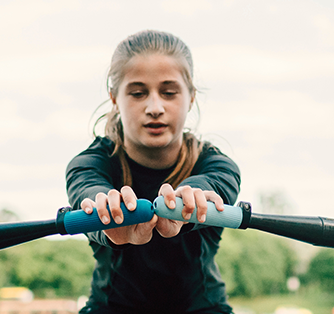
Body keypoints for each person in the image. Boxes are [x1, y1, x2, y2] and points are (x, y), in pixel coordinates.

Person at [66, 30, 241, 314]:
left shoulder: (218, 166)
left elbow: (214, 183)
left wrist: (191, 198)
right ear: (114, 98)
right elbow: (88, 191)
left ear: (191, 96)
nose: (155, 107)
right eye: (138, 93)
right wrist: (107, 216)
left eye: (169, 93)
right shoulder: (88, 164)